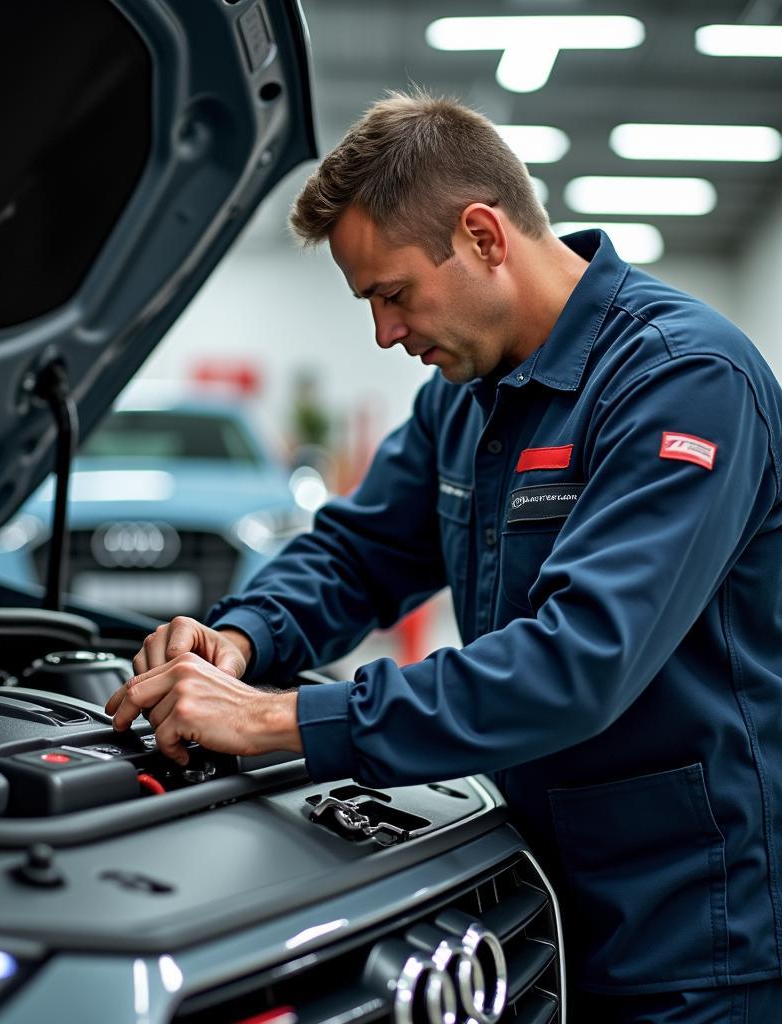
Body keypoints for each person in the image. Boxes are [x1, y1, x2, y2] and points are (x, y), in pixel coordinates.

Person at [106, 91, 782, 1021]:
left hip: (691, 936)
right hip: (529, 895)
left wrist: (278, 721)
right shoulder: (467, 398)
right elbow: (358, 553)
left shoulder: (682, 382)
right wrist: (240, 638)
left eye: (392, 293)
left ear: (483, 236)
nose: (386, 334)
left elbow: (574, 664)